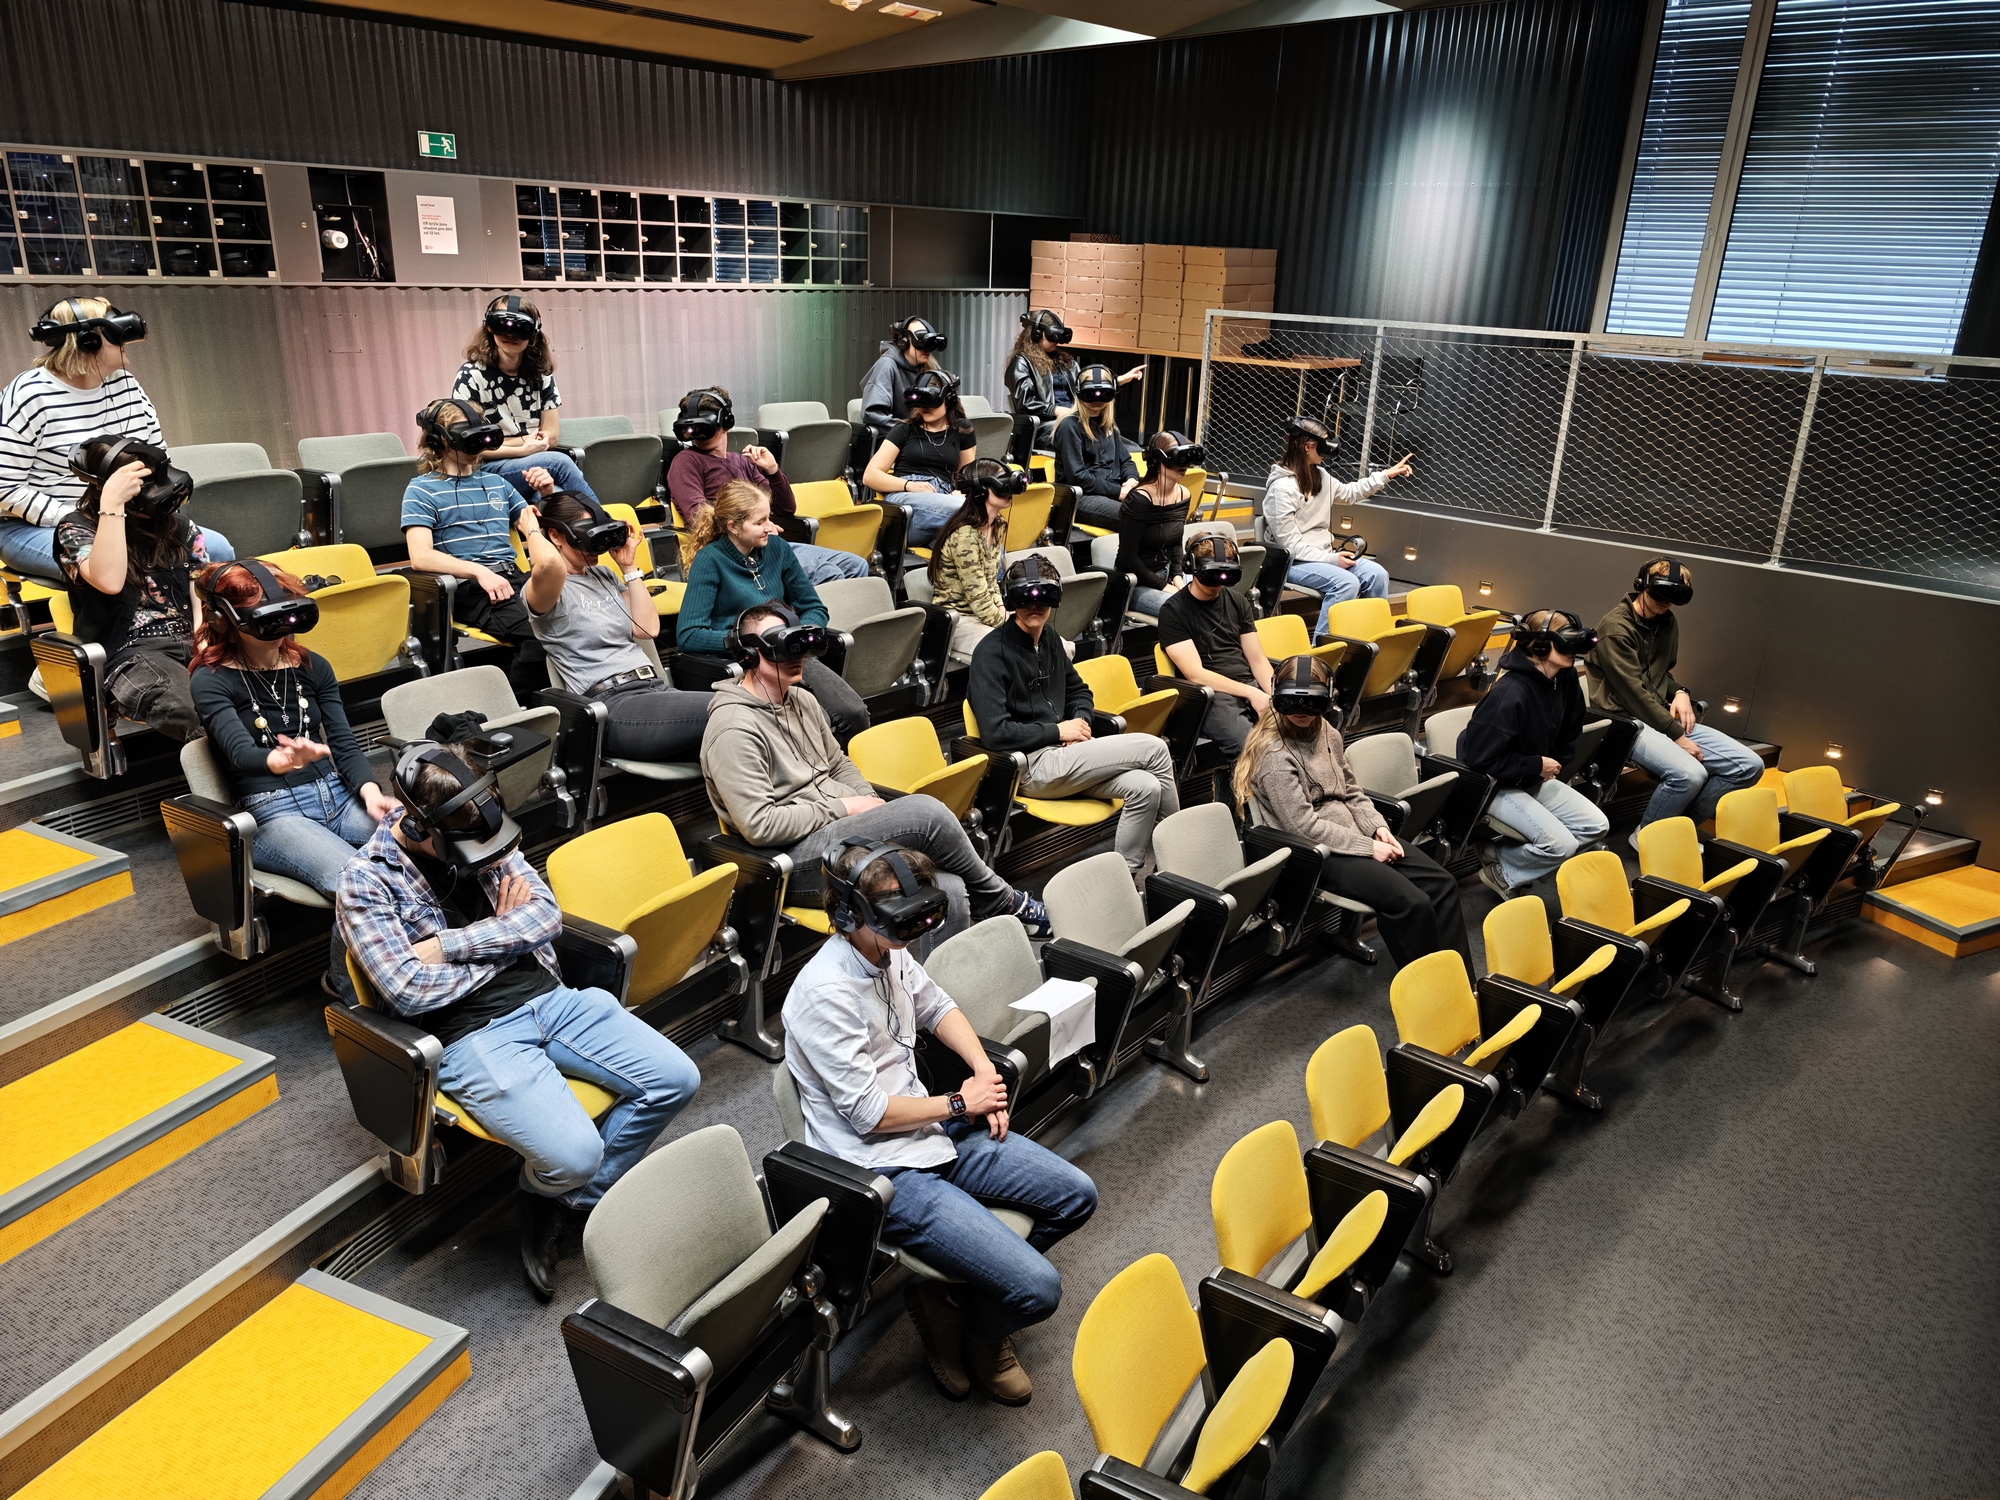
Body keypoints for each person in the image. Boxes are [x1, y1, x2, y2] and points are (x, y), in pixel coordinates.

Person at [337, 744, 700, 1300]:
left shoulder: (484, 830)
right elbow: (407, 990)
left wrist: (452, 946)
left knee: (677, 1079)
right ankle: (548, 1191)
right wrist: (509, 940)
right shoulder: (365, 881)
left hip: (552, 997)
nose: (487, 857)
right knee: (576, 1155)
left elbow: (545, 916)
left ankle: (568, 1200)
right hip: (471, 1035)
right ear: (415, 822)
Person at [781, 840, 1096, 1405]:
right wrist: (960, 1103)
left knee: (1077, 1196)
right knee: (1038, 1290)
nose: (911, 929)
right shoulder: (824, 993)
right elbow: (869, 1115)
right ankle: (982, 1327)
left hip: (933, 1131)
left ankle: (953, 1306)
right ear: (849, 913)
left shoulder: (887, 950)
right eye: (895, 914)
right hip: (884, 1171)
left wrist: (984, 1073)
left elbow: (936, 1006)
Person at [702, 601, 1048, 939]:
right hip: (793, 862)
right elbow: (760, 826)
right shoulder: (733, 729)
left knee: (950, 889)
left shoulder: (801, 698)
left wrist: (868, 802)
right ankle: (1002, 899)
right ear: (748, 656)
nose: (797, 655)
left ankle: (940, 977)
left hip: (840, 834)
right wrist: (846, 808)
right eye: (782, 647)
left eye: (799, 644)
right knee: (925, 812)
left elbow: (838, 763)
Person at [190, 559, 400, 997]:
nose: (282, 622)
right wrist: (282, 761)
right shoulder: (211, 680)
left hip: (337, 797)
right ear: (226, 619)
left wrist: (370, 793)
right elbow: (240, 754)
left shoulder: (313, 666)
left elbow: (344, 744)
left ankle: (411, 959)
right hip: (273, 812)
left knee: (420, 847)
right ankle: (349, 988)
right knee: (357, 881)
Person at [1238, 656, 1471, 972]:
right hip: (1315, 854)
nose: (1303, 711)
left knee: (1442, 884)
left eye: (1312, 703)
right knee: (1410, 903)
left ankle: (1460, 981)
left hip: (1354, 836)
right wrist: (1368, 847)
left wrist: (1376, 827)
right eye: (1294, 703)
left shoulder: (1327, 732)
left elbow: (1350, 790)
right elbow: (1302, 826)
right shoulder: (1275, 757)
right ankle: (1429, 989)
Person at [968, 559, 1180, 883]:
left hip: (1066, 756)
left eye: (1044, 597)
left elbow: (1079, 691)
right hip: (1030, 768)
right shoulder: (990, 653)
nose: (1035, 606)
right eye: (1026, 598)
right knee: (1154, 749)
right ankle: (1180, 858)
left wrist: (1078, 724)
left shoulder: (1050, 639)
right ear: (1011, 600)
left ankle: (1124, 878)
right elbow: (995, 734)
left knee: (1146, 787)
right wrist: (1056, 730)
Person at [2, 298, 232, 579]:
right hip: (39, 525)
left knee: (217, 550)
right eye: (115, 333)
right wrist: (86, 521)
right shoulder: (30, 394)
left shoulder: (126, 384)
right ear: (88, 341)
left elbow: (156, 456)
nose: (126, 342)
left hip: (124, 519)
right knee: (121, 568)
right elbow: (5, 487)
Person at [521, 491, 712, 761]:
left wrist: (628, 567)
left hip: (654, 690)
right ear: (556, 535)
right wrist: (531, 528)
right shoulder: (544, 590)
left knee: (736, 738)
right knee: (732, 707)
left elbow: (647, 630)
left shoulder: (604, 574)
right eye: (588, 534)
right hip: (613, 706)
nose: (596, 546)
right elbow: (551, 564)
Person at [676, 479, 870, 741]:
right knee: (814, 722)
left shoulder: (777, 548)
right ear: (733, 526)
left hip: (789, 651)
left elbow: (813, 606)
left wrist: (798, 634)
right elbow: (689, 635)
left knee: (854, 713)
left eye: (769, 518)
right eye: (760, 522)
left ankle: (838, 766)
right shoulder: (710, 560)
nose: (770, 527)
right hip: (749, 661)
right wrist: (751, 642)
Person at [1589, 558, 1764, 836]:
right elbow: (1632, 692)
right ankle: (1649, 837)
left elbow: (1659, 675)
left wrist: (1681, 691)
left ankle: (1678, 830)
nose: (1665, 604)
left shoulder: (1667, 622)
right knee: (1689, 775)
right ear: (1641, 586)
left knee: (1749, 766)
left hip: (1658, 715)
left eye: (1674, 598)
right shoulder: (1615, 628)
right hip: (1624, 721)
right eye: (1659, 594)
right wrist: (1678, 736)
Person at [53, 435, 208, 742]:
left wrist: (207, 647)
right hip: (130, 654)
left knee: (269, 693)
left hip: (191, 641)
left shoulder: (181, 527)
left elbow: (200, 595)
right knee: (201, 713)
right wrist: (113, 505)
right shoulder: (76, 529)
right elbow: (109, 582)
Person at [402, 396, 554, 697]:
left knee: (573, 622)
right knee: (541, 637)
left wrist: (547, 494)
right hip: (471, 589)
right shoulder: (421, 490)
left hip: (514, 579)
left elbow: (535, 526)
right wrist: (479, 572)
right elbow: (420, 556)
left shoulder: (498, 484)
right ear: (438, 440)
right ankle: (515, 708)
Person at [1457, 609, 1611, 897]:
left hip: (1531, 776)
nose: (1573, 652)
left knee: (1596, 825)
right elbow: (1480, 760)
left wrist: (1550, 766)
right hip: (1493, 784)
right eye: (1565, 643)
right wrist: (1535, 765)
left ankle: (1498, 856)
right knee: (1561, 846)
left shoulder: (1564, 678)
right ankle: (1504, 874)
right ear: (1539, 646)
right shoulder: (1509, 693)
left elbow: (1571, 730)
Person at [663, 385, 868, 587]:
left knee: (856, 566)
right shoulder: (686, 461)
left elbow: (786, 508)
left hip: (767, 546)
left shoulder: (741, 461)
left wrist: (772, 470)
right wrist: (758, 528)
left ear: (727, 422)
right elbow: (700, 518)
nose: (697, 433)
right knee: (829, 573)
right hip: (734, 555)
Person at [449, 294, 600, 508]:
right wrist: (524, 447)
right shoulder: (470, 376)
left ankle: (591, 526)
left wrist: (514, 445)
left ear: (534, 333)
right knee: (559, 462)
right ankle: (603, 522)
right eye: (501, 324)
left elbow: (551, 437)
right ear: (489, 327)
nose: (510, 333)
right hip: (486, 469)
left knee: (558, 500)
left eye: (521, 327)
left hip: (532, 465)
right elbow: (469, 446)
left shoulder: (541, 375)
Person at [1262, 418, 1406, 642]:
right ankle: (1322, 651)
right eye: (1323, 442)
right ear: (1308, 446)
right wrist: (1331, 560)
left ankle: (1370, 642)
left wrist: (1385, 475)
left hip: (1323, 556)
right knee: (1346, 583)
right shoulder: (1281, 488)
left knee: (1377, 575)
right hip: (1291, 562)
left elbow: (1350, 493)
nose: (1329, 448)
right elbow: (1290, 545)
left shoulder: (1320, 476)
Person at [1157, 533, 1274, 760]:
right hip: (1212, 694)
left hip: (1247, 684)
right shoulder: (1172, 611)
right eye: (1211, 576)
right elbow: (1195, 674)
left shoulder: (1238, 601)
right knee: (1248, 746)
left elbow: (1258, 661)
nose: (1218, 583)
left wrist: (1276, 698)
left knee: (1297, 726)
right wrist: (1252, 693)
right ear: (1192, 568)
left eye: (1226, 576)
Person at [1003, 310, 1140, 465]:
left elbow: (1084, 386)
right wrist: (1057, 410)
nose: (1056, 341)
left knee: (1121, 442)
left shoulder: (1065, 361)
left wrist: (1118, 381)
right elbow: (1025, 403)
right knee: (1097, 442)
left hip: (1076, 420)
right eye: (1052, 335)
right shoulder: (1021, 363)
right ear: (1036, 334)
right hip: (1045, 427)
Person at [861, 368, 976, 548]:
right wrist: (910, 485)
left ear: (949, 399)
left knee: (969, 543)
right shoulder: (904, 430)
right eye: (920, 401)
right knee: (979, 511)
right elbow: (870, 476)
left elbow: (967, 478)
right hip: (906, 503)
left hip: (945, 503)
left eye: (931, 401)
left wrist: (961, 493)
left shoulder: (962, 431)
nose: (924, 407)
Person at [928, 459, 1018, 664]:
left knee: (1053, 644)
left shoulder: (997, 525)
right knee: (1017, 649)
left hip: (984, 615)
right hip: (958, 620)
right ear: (981, 492)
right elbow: (978, 599)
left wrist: (1004, 612)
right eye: (1001, 483)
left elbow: (991, 584)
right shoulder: (964, 536)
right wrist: (1013, 627)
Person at [1116, 430, 1199, 616]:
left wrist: (1177, 578)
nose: (1183, 465)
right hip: (1136, 583)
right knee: (1185, 610)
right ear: (1156, 461)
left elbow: (1176, 544)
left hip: (1167, 574)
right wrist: (1165, 587)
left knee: (1213, 597)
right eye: (1176, 458)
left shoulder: (1184, 494)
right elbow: (1127, 558)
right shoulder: (1139, 499)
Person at [1052, 364, 1139, 531]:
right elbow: (1078, 477)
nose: (1097, 399)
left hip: (1112, 491)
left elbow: (1126, 461)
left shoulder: (1109, 425)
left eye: (1103, 393)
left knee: (1158, 510)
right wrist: (1118, 492)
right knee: (1136, 516)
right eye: (1090, 393)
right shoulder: (1069, 426)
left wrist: (1131, 481)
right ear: (1079, 393)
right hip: (1082, 497)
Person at [860, 314, 948, 444]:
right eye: (920, 342)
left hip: (926, 436)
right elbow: (873, 415)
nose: (927, 350)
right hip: (898, 440)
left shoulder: (930, 365)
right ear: (903, 342)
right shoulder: (887, 366)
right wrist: (911, 430)